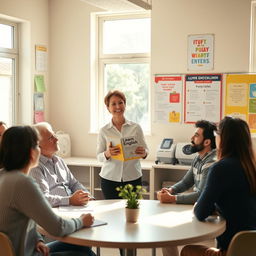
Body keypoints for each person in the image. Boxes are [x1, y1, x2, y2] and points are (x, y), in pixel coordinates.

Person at [0, 126, 95, 256]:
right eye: (37, 145)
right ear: (32, 153)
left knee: (82, 246)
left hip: (21, 250)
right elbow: (58, 228)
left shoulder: (4, 176)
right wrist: (81, 221)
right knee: (86, 254)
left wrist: (37, 239)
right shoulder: (23, 182)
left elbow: (23, 219)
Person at [181, 116, 256, 256]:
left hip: (231, 250)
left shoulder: (221, 168)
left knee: (187, 250)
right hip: (252, 248)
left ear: (223, 139)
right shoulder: (251, 167)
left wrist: (205, 206)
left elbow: (200, 212)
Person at [97, 90, 149, 199]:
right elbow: (99, 156)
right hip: (109, 179)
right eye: (113, 104)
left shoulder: (136, 127)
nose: (118, 106)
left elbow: (146, 150)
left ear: (125, 104)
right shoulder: (104, 130)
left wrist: (144, 153)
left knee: (131, 212)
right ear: (108, 108)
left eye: (120, 102)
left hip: (133, 178)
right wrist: (107, 153)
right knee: (111, 214)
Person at [30, 122, 92, 207]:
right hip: (56, 211)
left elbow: (74, 184)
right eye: (51, 138)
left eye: (54, 135)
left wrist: (88, 196)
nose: (57, 139)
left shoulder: (59, 161)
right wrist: (69, 200)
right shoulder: (35, 168)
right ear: (38, 146)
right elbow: (42, 198)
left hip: (71, 207)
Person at [157, 120, 217, 205]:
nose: (191, 138)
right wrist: (170, 190)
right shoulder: (198, 158)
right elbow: (186, 183)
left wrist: (172, 198)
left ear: (207, 142)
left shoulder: (211, 162)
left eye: (196, 135)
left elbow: (202, 195)